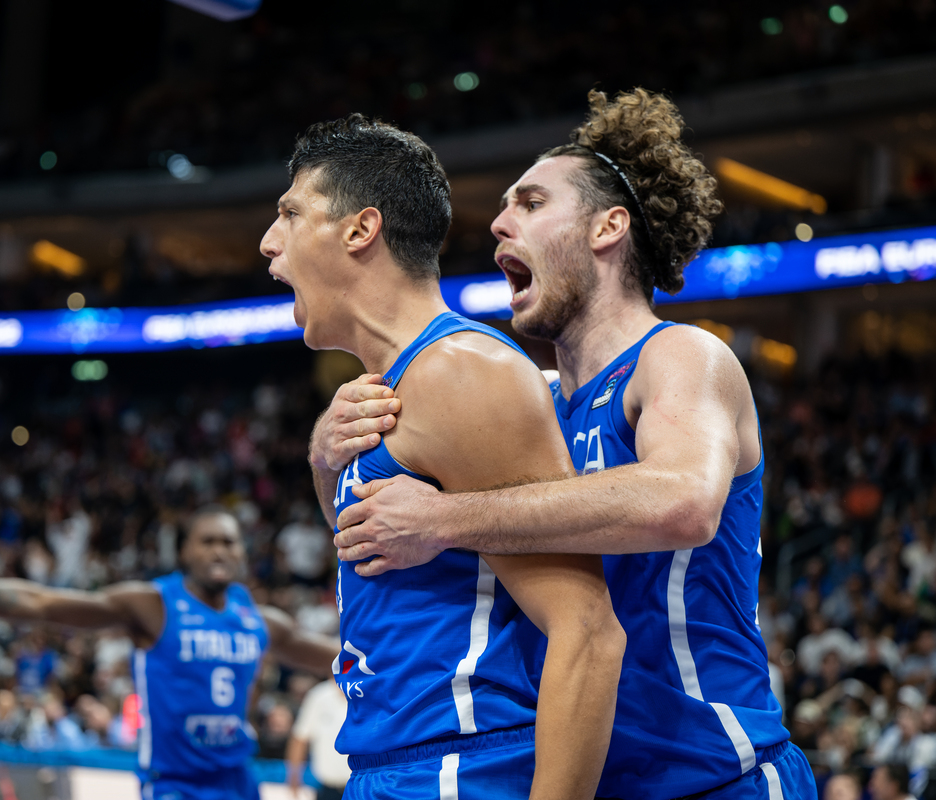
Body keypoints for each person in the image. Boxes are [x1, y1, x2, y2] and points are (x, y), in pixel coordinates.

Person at [319, 90, 817, 800]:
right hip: (586, 778)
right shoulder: (534, 402)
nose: (497, 223)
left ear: (607, 227)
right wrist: (330, 450)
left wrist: (444, 520)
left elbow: (684, 502)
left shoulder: (678, 356)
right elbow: (373, 543)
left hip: (719, 775)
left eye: (530, 203)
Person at [260, 114, 623, 800]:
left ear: (360, 230)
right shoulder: (386, 389)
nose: (268, 243)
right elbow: (370, 554)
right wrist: (323, 467)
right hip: (393, 763)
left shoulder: (461, 371)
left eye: (290, 213)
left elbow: (588, 630)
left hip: (459, 768)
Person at [0, 506, 338, 800]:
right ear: (183, 551)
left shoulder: (259, 620)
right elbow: (39, 603)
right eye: (208, 541)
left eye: (229, 541)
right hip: (174, 785)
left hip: (238, 781)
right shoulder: (152, 605)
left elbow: (340, 657)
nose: (221, 550)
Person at [286, 678, 350, 800]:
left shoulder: (368, 692)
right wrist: (293, 778)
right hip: (327, 788)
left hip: (362, 785)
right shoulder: (319, 695)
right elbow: (300, 737)